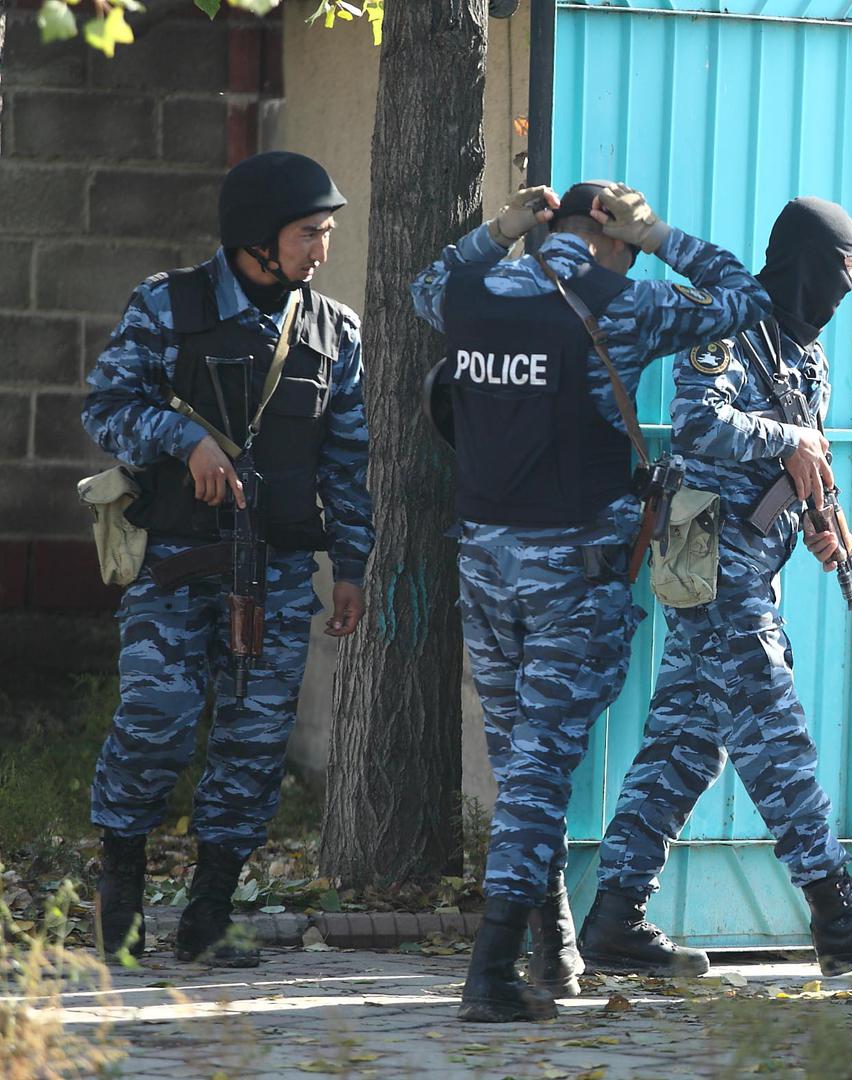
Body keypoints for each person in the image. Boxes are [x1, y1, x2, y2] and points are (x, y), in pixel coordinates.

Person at [409, 180, 770, 1022]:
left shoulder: (470, 292)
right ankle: (490, 975)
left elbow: (430, 279)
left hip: (485, 561)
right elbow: (744, 299)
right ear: (608, 233)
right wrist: (662, 235)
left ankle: (553, 951)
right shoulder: (625, 303)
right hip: (573, 566)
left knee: (521, 764)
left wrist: (498, 230)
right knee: (540, 769)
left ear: (547, 228)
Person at [580, 197, 852, 980]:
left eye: (851, 281)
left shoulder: (807, 357)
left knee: (682, 745)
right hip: (710, 564)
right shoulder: (729, 323)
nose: (840, 295)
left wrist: (819, 520)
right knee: (773, 726)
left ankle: (613, 917)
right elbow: (700, 423)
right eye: (832, 274)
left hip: (750, 561)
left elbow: (792, 466)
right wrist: (792, 438)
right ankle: (836, 910)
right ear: (799, 263)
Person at [81, 150, 372, 967]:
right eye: (310, 232)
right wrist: (185, 440)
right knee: (156, 721)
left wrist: (350, 567)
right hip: (173, 564)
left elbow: (346, 462)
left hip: (274, 573)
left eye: (327, 231)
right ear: (256, 238)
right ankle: (123, 898)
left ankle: (210, 914)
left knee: (252, 747)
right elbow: (105, 406)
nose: (323, 248)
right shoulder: (169, 305)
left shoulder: (334, 330)